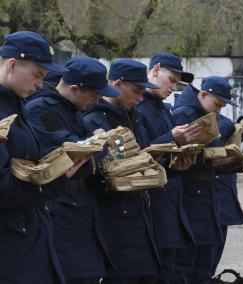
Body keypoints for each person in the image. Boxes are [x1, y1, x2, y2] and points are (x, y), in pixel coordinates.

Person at [25, 56, 121, 284]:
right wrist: (98, 143)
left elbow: (104, 152)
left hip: (81, 208)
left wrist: (99, 145)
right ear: (75, 88)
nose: (98, 99)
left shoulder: (74, 111)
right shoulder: (42, 110)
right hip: (61, 206)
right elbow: (68, 153)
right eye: (94, 94)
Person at [0, 31, 85, 283]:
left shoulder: (16, 105)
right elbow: (3, 185)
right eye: (37, 75)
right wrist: (56, 178)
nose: (40, 84)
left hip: (26, 237)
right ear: (13, 64)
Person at [82, 58, 162, 284]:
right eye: (137, 91)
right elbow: (103, 169)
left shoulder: (135, 117)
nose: (140, 98)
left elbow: (143, 155)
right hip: (112, 217)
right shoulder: (94, 120)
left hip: (140, 213)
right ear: (117, 84)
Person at [133, 52, 202, 283]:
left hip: (171, 199)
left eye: (177, 83)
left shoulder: (163, 110)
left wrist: (180, 161)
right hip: (150, 203)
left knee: (172, 269)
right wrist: (171, 138)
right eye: (171, 79)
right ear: (155, 69)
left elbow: (164, 158)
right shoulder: (138, 107)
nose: (174, 87)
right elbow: (138, 154)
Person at [172, 76, 238, 284]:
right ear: (203, 94)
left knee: (205, 257)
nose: (218, 111)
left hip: (208, 190)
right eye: (217, 104)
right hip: (190, 191)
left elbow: (225, 126)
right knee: (188, 260)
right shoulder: (184, 114)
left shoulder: (206, 113)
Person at [210, 113, 243, 277]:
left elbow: (227, 137)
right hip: (205, 199)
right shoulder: (187, 115)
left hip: (222, 196)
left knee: (210, 260)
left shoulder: (218, 118)